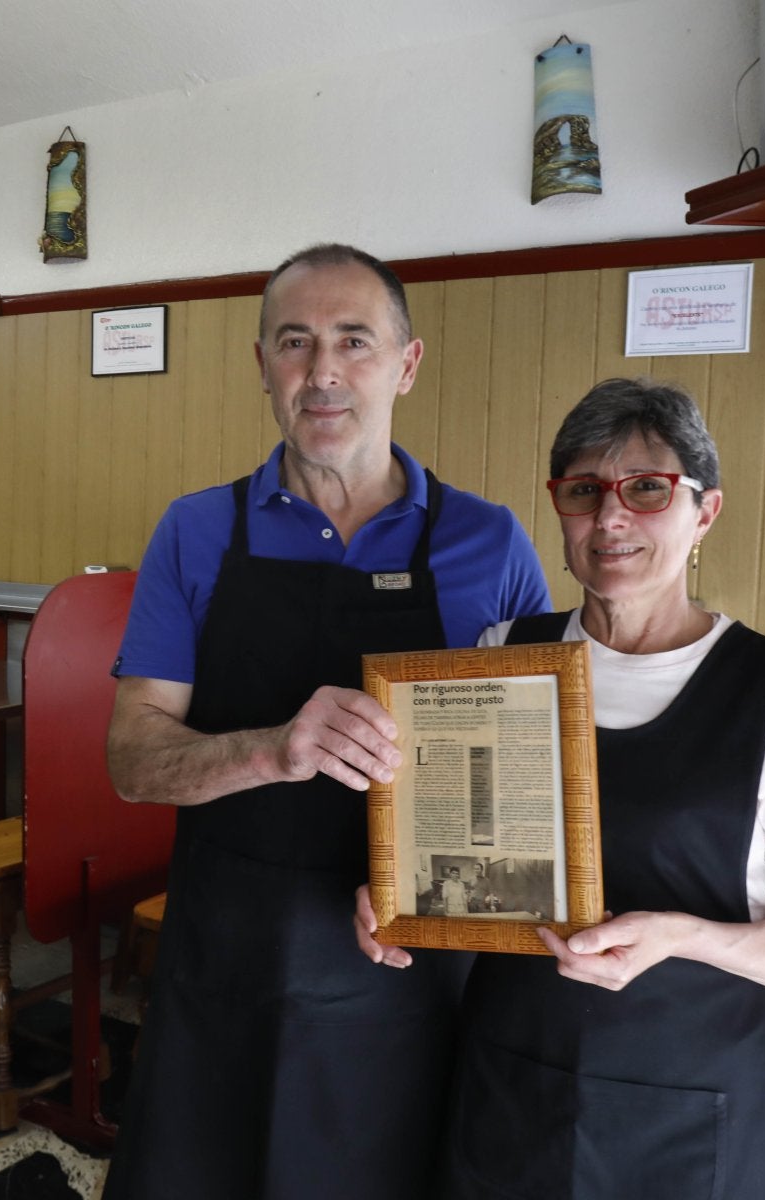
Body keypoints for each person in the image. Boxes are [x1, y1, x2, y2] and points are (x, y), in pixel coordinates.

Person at [102, 243, 551, 1200]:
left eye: (355, 340)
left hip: (406, 970)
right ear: (261, 362)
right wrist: (274, 748)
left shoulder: (489, 542)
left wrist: (441, 909)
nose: (324, 371)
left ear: (407, 363)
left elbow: (523, 787)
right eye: (295, 342)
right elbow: (134, 760)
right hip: (227, 958)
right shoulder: (196, 530)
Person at [357, 378, 765, 1200]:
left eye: (647, 490)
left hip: (697, 1096)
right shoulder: (504, 654)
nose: (611, 518)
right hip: (515, 1076)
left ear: (704, 512)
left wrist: (678, 935)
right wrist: (391, 894)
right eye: (584, 491)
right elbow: (462, 858)